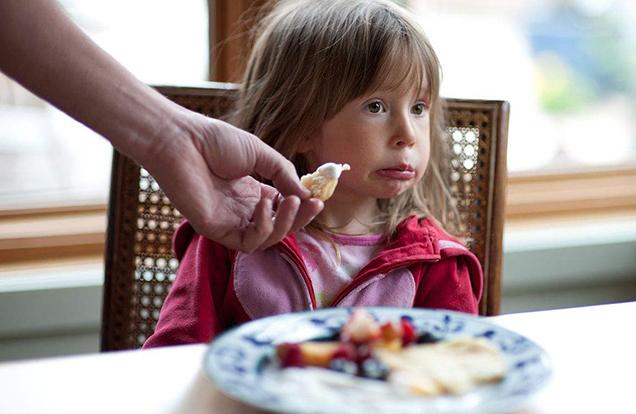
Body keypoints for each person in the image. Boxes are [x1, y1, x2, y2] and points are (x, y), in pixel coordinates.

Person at [143, 0, 483, 348]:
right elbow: (174, 358)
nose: (407, 134)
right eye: (376, 106)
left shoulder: (438, 263)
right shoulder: (231, 238)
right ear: (302, 126)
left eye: (418, 107)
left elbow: (457, 373)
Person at [0, 0, 322, 252]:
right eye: (372, 107)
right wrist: (169, 138)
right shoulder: (230, 249)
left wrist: (170, 138)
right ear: (305, 128)